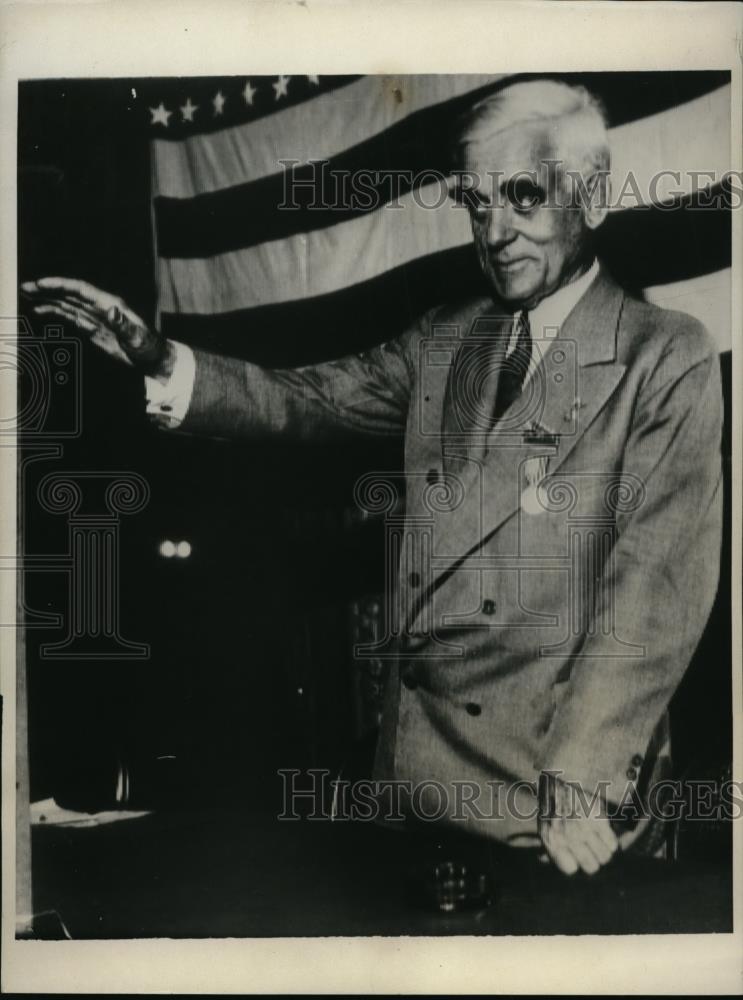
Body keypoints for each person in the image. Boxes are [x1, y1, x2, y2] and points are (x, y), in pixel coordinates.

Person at [22, 78, 723, 877]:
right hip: (417, 789)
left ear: (590, 197)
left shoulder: (663, 354)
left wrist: (581, 776)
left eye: (523, 197)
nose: (494, 232)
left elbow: (655, 586)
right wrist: (156, 357)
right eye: (476, 203)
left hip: (559, 804)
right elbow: (306, 398)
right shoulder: (445, 340)